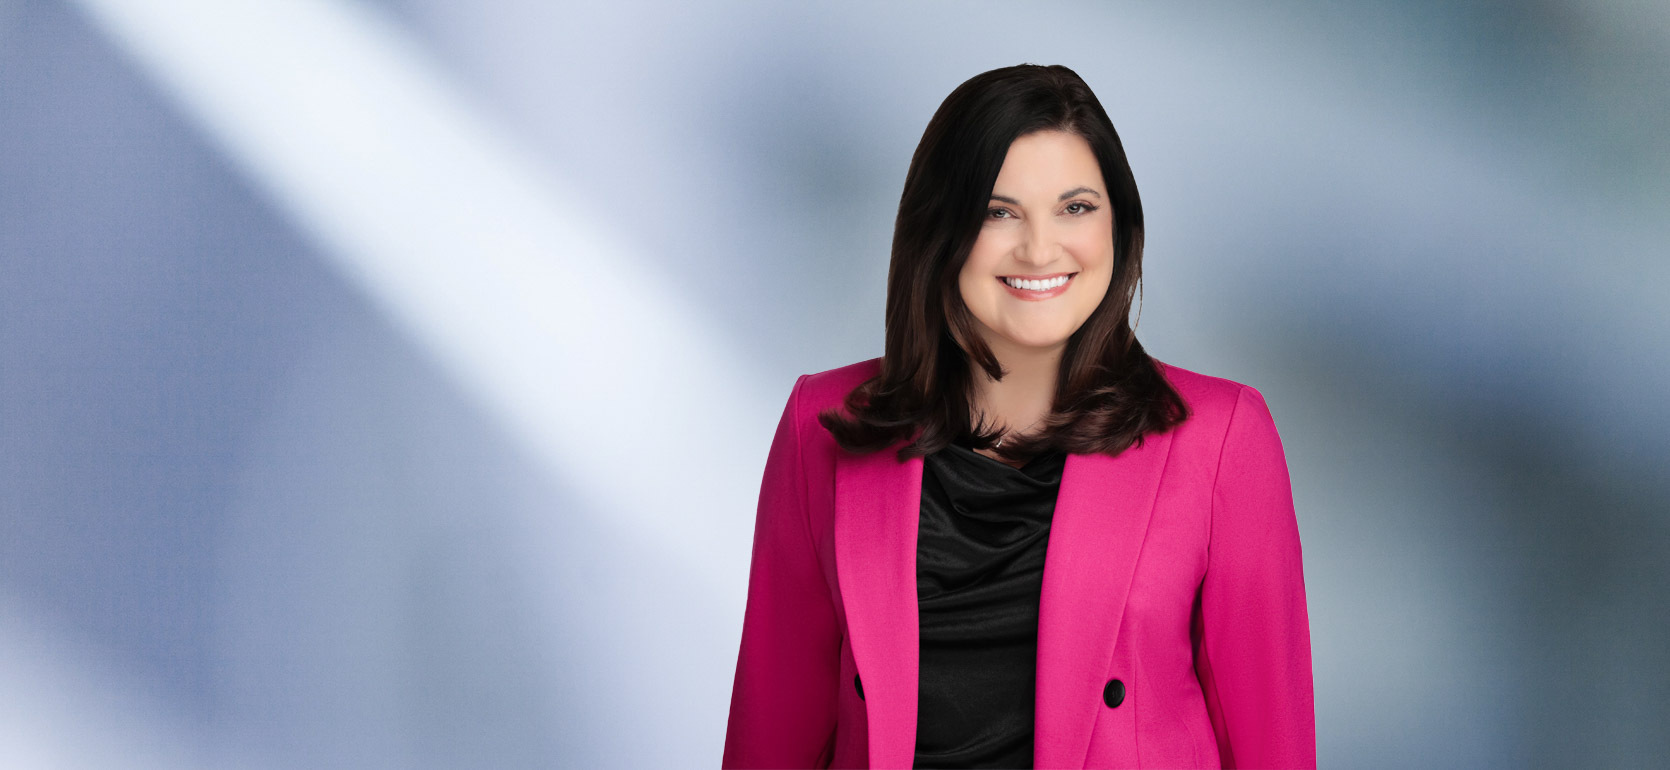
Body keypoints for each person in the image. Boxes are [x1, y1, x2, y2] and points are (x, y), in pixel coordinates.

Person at [722, 63, 1314, 769]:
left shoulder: (1221, 438)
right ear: (939, 230)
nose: (1039, 249)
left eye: (1075, 208)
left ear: (1120, 227)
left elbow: (1273, 749)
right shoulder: (820, 427)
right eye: (999, 211)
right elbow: (769, 742)